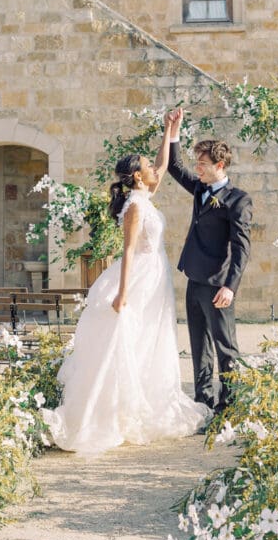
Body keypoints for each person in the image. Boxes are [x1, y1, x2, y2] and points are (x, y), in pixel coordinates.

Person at [42, 117, 209, 456]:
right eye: (146, 166)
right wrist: (122, 292)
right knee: (131, 338)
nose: (152, 169)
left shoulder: (144, 196)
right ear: (136, 176)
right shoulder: (134, 207)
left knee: (153, 337)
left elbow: (163, 165)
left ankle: (146, 399)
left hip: (156, 277)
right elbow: (128, 250)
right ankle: (116, 412)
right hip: (141, 276)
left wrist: (169, 132)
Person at [165, 108, 252, 414]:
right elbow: (174, 167)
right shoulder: (200, 187)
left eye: (202, 164)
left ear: (219, 165)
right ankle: (203, 404)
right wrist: (173, 130)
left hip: (218, 286)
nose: (197, 169)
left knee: (226, 349)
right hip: (194, 279)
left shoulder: (238, 200)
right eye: (197, 164)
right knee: (199, 348)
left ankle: (230, 407)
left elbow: (242, 248)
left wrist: (231, 287)